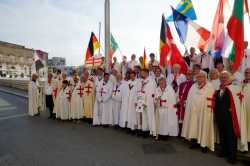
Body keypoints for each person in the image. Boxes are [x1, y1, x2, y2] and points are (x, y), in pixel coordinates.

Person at [182, 71, 215, 152]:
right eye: (198, 77)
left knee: (204, 127)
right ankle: (194, 142)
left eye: (201, 77)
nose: (199, 78)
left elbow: (211, 99)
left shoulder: (209, 86)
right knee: (194, 127)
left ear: (205, 77)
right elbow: (189, 98)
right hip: (193, 112)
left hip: (204, 112)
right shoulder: (193, 86)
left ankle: (204, 145)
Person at [213, 71, 240, 164]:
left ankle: (232, 156)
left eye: (225, 77)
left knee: (231, 137)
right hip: (220, 117)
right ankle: (224, 152)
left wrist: (232, 109)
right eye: (222, 77)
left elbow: (237, 102)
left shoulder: (233, 89)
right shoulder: (218, 90)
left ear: (228, 78)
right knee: (222, 135)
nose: (223, 79)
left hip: (230, 118)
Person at [135, 69, 156, 137]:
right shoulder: (141, 81)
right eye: (141, 73)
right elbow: (139, 91)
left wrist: (146, 102)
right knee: (142, 117)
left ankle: (150, 131)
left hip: (148, 102)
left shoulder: (151, 81)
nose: (141, 74)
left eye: (143, 73)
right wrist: (138, 101)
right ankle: (144, 130)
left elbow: (152, 93)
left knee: (149, 116)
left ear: (147, 73)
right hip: (141, 101)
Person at [176, 69, 194, 135]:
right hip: (180, 104)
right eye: (187, 74)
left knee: (186, 119)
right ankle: (180, 132)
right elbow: (177, 94)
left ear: (192, 75)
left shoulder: (194, 84)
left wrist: (185, 102)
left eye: (190, 74)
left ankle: (185, 134)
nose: (188, 75)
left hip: (187, 104)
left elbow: (192, 95)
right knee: (179, 118)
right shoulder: (181, 84)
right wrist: (178, 100)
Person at [242, 68, 250, 144]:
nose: (247, 74)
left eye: (249, 73)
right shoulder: (242, 83)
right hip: (243, 109)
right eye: (246, 72)